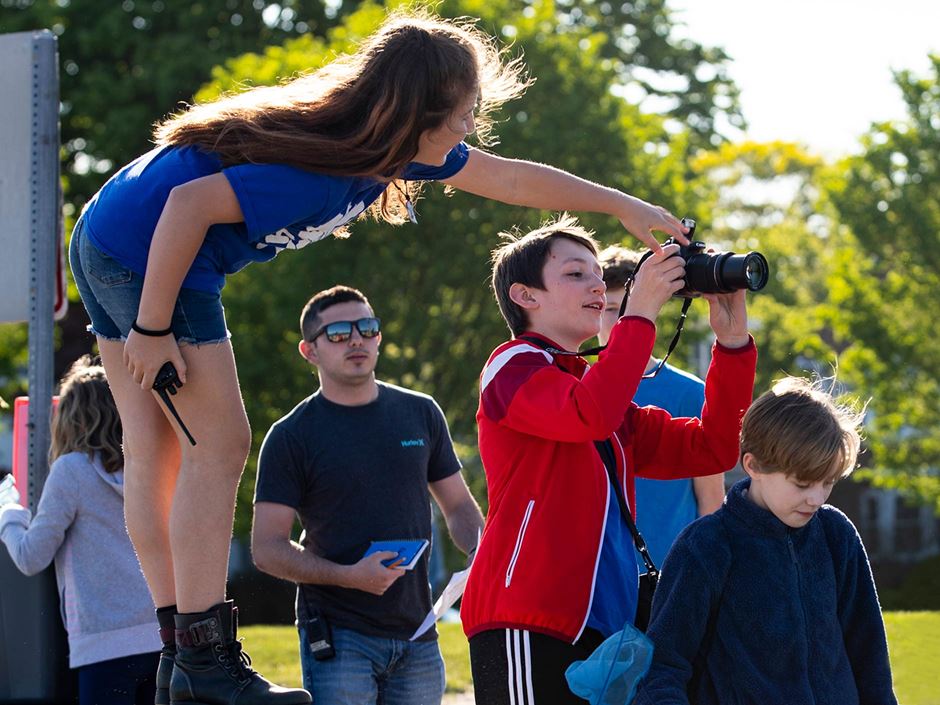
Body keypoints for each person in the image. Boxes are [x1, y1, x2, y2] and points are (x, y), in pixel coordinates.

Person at [67, 10, 690, 704]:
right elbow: (186, 206)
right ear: (418, 112)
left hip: (105, 234)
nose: (470, 127)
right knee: (220, 443)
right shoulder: (324, 168)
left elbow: (513, 180)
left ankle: (179, 654)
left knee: (156, 453)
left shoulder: (394, 149)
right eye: (463, 113)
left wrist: (623, 206)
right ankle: (204, 658)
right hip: (151, 256)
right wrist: (152, 325)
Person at [460, 216, 756, 705]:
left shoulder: (595, 392)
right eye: (576, 273)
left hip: (606, 626)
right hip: (527, 618)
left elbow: (715, 448)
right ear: (524, 296)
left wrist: (732, 343)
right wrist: (640, 313)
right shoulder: (510, 364)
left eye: (598, 274)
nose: (598, 285)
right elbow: (588, 415)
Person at [251, 285, 484, 705]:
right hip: (340, 634)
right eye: (339, 333)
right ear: (309, 351)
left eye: (367, 328)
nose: (356, 339)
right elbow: (267, 549)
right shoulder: (291, 436)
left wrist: (479, 552)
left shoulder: (421, 412)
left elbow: (458, 507)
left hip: (419, 633)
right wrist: (349, 576)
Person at [634, 377, 897, 705]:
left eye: (827, 482)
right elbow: (662, 669)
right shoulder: (704, 546)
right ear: (753, 465)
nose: (816, 498)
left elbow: (870, 657)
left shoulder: (836, 534)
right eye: (802, 484)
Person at [0, 356, 162, 705]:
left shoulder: (71, 471)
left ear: (70, 418)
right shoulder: (148, 469)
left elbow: (30, 557)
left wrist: (8, 510)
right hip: (160, 638)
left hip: (103, 646)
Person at [598, 245, 725, 569]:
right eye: (610, 308)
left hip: (673, 573)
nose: (622, 319)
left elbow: (710, 501)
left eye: (632, 306)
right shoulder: (573, 389)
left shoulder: (691, 393)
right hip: (599, 576)